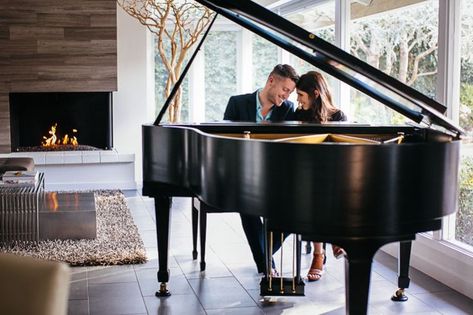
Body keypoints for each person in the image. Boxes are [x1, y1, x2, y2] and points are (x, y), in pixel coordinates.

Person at [223, 64, 299, 274]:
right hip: (242, 175)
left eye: (291, 92)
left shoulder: (288, 109)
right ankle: (267, 267)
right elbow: (226, 142)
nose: (286, 95)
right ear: (271, 80)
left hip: (276, 178)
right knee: (246, 206)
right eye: (285, 89)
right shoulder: (237, 103)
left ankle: (263, 258)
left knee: (298, 212)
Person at [294, 70, 347, 282]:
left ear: (315, 93)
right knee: (312, 194)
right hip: (306, 173)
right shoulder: (298, 115)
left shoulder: (338, 116)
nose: (297, 99)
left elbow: (343, 152)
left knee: (328, 189)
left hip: (332, 172)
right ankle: (325, 247)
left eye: (301, 95)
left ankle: (323, 250)